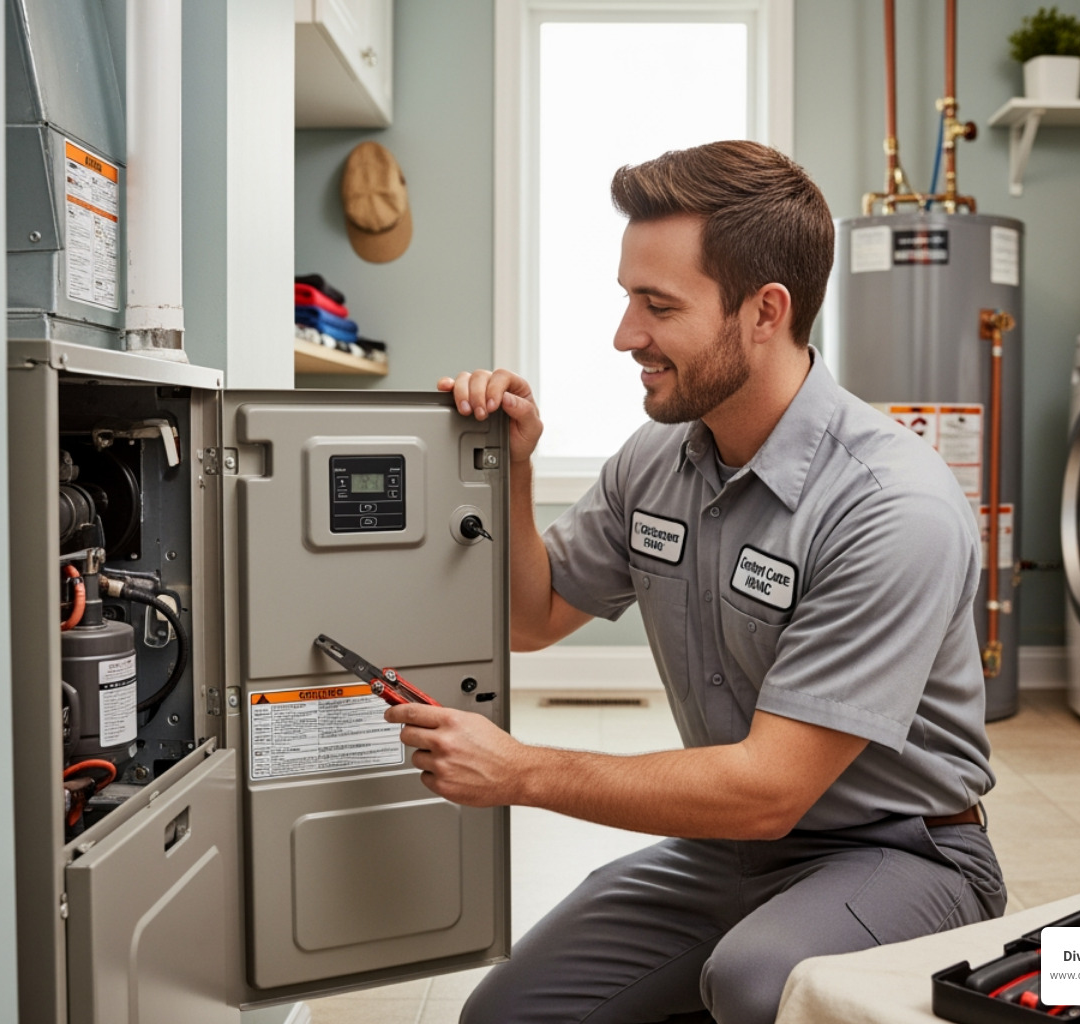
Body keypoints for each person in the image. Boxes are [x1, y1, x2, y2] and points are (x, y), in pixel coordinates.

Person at [384, 140, 1005, 1024]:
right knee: (506, 1016)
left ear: (764, 311)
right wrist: (507, 471)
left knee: (757, 985)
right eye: (627, 298)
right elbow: (535, 616)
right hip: (729, 849)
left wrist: (520, 770)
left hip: (903, 854)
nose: (625, 334)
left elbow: (768, 788)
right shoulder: (659, 458)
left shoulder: (890, 506)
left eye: (658, 305)